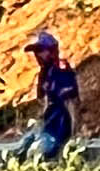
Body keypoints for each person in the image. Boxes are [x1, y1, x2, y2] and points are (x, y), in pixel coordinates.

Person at [20, 28, 79, 163]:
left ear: (52, 51)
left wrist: (75, 133)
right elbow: (43, 103)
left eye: (41, 51)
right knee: (21, 148)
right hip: (46, 128)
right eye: (36, 52)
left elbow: (72, 103)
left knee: (36, 153)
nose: (37, 55)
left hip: (58, 130)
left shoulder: (61, 72)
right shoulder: (44, 74)